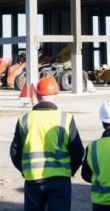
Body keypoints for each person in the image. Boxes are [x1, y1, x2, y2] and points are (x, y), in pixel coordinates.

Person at [10, 77, 84, 211]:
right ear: (57, 95)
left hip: (33, 180)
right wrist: (70, 170)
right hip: (60, 180)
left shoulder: (25, 120)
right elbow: (78, 151)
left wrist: (25, 170)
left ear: (37, 95)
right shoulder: (65, 119)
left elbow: (15, 152)